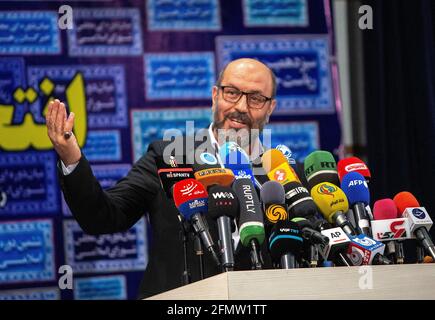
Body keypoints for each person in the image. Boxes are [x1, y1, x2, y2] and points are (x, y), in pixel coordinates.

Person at [46, 58, 277, 299]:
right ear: (215, 95)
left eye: (256, 98)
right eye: (231, 93)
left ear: (270, 107)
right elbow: (103, 217)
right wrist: (70, 156)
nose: (241, 106)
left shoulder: (283, 175)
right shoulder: (169, 157)